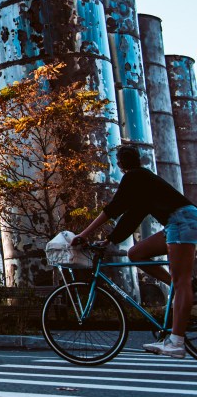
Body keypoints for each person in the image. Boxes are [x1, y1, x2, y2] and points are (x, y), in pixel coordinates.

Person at [73, 144, 197, 358]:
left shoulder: (134, 177)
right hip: (178, 222)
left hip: (181, 221)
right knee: (135, 254)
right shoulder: (142, 179)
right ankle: (181, 288)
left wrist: (84, 234)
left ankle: (176, 342)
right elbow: (134, 215)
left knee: (182, 281)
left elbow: (114, 208)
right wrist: (110, 240)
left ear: (120, 164)